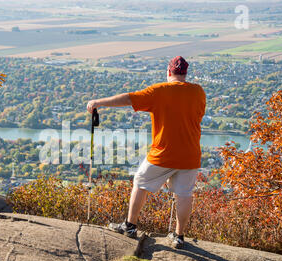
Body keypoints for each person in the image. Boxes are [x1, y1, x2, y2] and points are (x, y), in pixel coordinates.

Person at [86, 56, 206, 249]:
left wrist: (98, 102)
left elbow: (128, 98)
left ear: (169, 72)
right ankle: (179, 236)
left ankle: (130, 226)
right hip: (191, 155)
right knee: (184, 194)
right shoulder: (198, 92)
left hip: (163, 153)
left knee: (140, 182)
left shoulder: (159, 91)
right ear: (185, 73)